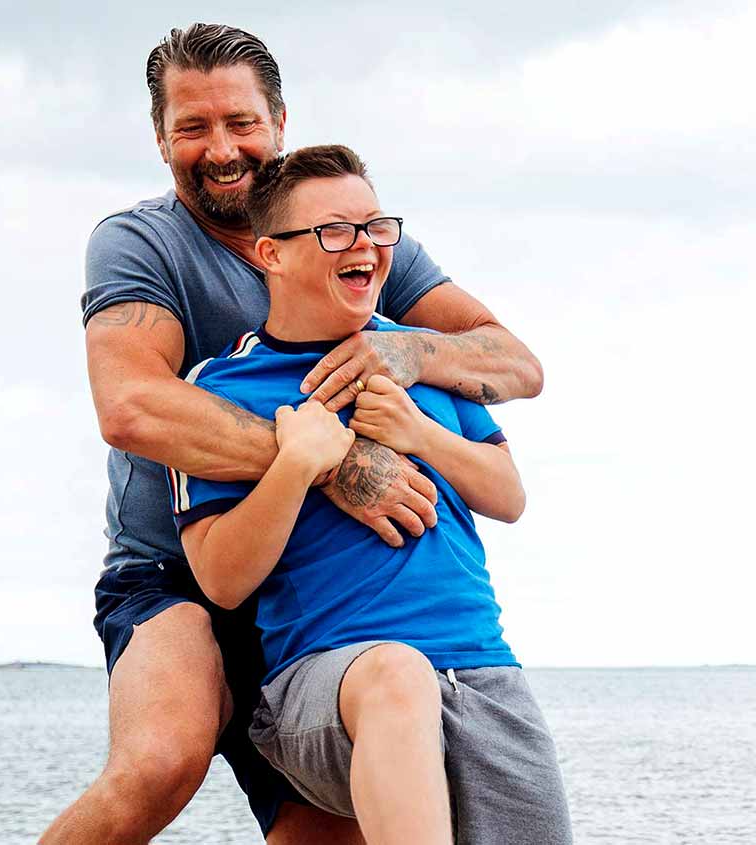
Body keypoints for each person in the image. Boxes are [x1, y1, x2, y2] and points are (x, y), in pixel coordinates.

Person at [41, 24, 544, 845]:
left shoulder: (363, 239)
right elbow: (133, 404)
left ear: (279, 121)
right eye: (193, 127)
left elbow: (516, 364)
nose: (221, 148)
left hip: (314, 589)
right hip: (174, 568)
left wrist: (412, 344)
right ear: (161, 137)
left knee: (332, 826)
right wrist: (334, 463)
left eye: (240, 122)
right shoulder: (141, 242)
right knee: (162, 760)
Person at [175, 145, 572, 845]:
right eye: (334, 230)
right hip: (327, 688)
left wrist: (419, 431)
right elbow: (221, 578)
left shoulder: (424, 354)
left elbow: (508, 495)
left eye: (375, 226)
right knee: (398, 673)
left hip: (483, 673)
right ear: (271, 252)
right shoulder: (222, 388)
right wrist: (295, 466)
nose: (364, 246)